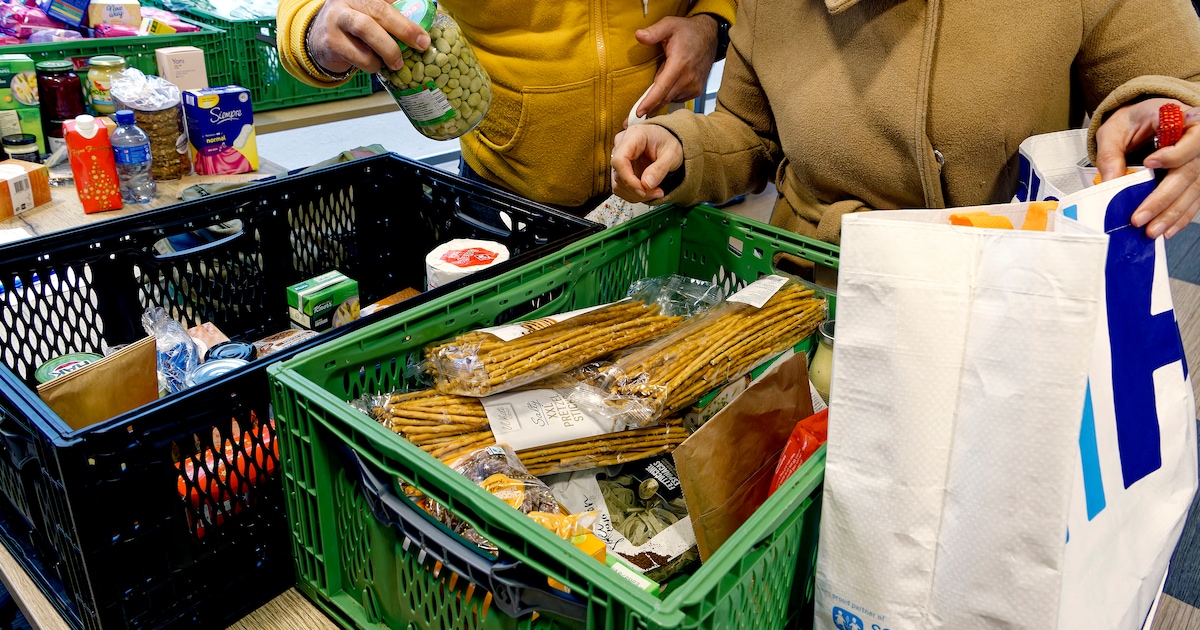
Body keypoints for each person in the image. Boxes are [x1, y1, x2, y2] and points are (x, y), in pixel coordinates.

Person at [610, 0, 1200, 243]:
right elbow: (749, 128)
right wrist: (678, 145)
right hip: (824, 298)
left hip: (1003, 301)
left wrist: (1171, 116)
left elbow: (1176, 78)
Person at [277, 0, 736, 214]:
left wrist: (711, 23)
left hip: (666, 169)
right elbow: (307, 12)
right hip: (504, 191)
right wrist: (316, 25)